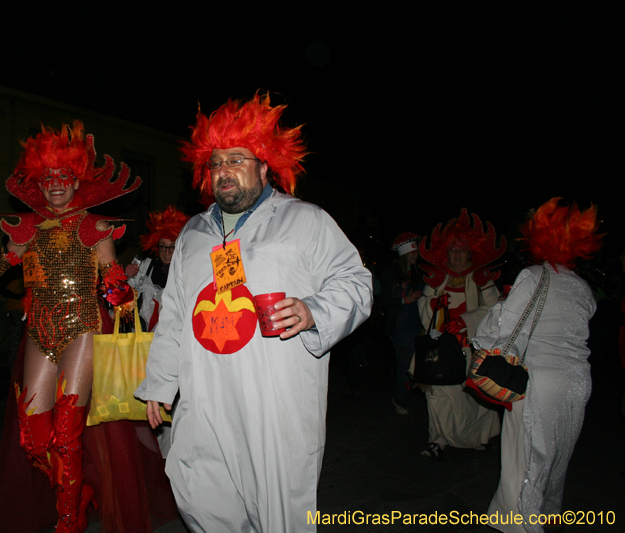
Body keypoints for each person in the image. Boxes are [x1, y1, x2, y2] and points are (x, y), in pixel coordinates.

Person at [134, 94, 374, 532]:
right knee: (200, 496)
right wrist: (161, 383)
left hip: (274, 402)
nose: (223, 170)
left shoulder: (305, 220)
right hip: (205, 399)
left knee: (279, 512)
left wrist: (313, 310)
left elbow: (356, 282)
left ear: (264, 167)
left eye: (236, 159)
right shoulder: (193, 233)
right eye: (215, 163)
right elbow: (175, 316)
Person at [0, 122, 143, 533]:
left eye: (64, 176)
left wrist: (122, 299)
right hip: (40, 331)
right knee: (33, 438)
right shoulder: (27, 230)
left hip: (83, 327)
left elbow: (114, 282)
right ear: (38, 184)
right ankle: (75, 491)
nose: (56, 184)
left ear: (76, 181)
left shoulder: (94, 227)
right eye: (48, 178)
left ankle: (68, 521)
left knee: (67, 434)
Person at [474, 198, 602, 533]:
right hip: (577, 383)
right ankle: (548, 513)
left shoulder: (533, 277)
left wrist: (484, 330)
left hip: (538, 383)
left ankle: (522, 524)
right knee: (556, 458)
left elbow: (501, 329)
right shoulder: (583, 288)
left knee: (526, 460)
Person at [417, 209, 503, 460]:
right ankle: (438, 439)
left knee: (471, 397)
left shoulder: (481, 279)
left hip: (469, 348)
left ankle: (475, 436)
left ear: (470, 254)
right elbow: (423, 304)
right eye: (453, 250)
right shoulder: (438, 279)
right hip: (439, 349)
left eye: (462, 250)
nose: (457, 255)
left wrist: (466, 322)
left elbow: (496, 309)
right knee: (437, 395)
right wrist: (435, 306)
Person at [125, 205, 189, 331]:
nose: (167, 252)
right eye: (163, 246)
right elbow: (126, 294)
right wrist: (128, 275)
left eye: (172, 247)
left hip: (173, 333)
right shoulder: (146, 266)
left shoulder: (186, 270)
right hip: (143, 334)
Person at [381, 232, 424, 415]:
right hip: (400, 327)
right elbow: (384, 301)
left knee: (417, 364)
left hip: (418, 324)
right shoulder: (390, 273)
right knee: (406, 365)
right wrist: (404, 300)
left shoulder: (419, 273)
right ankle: (401, 399)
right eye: (413, 252)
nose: (417, 255)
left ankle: (410, 394)